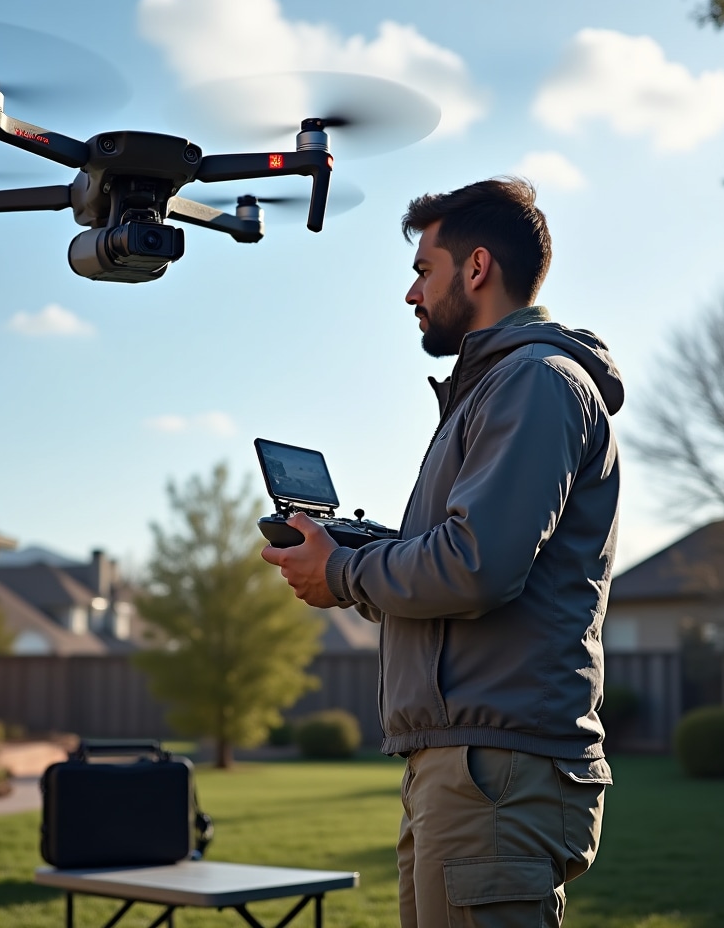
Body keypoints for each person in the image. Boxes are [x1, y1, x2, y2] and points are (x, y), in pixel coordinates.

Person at [261, 177, 622, 928]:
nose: (411, 294)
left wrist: (340, 569)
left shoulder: (533, 382)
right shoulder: (495, 388)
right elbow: (458, 553)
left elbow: (475, 565)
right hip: (461, 765)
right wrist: (356, 560)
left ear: (477, 268)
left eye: (423, 270)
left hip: (493, 771)